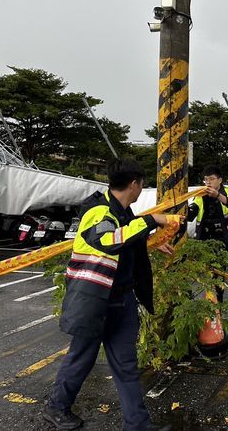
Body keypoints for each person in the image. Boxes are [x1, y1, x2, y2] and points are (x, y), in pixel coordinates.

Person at [44, 158, 175, 431]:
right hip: (95, 301)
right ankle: (56, 408)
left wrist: (149, 242)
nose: (142, 190)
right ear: (134, 184)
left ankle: (137, 425)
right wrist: (153, 220)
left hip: (122, 301)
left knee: (126, 365)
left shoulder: (123, 212)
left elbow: (126, 236)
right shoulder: (98, 211)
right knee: (81, 358)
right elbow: (107, 240)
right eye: (142, 184)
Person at [188, 165, 228, 330]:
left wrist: (218, 196)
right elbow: (191, 213)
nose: (208, 182)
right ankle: (218, 317)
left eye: (211, 179)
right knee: (217, 282)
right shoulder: (200, 196)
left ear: (220, 180)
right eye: (205, 179)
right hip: (212, 245)